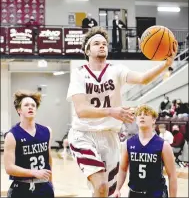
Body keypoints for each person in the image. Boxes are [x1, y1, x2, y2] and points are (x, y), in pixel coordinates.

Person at [66, 26, 177, 197]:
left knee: (107, 192)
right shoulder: (79, 74)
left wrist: (166, 64)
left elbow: (142, 79)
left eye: (104, 43)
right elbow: (81, 110)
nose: (102, 46)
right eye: (96, 43)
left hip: (110, 136)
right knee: (101, 185)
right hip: (84, 134)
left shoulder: (116, 70)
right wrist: (112, 111)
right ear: (87, 50)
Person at [114, 105, 177, 198]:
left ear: (153, 120)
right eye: (139, 114)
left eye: (146, 114)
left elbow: (172, 175)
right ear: (136, 119)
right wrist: (117, 189)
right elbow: (123, 169)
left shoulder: (163, 145)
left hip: (156, 194)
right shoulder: (128, 143)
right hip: (134, 193)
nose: (142, 116)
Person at [4, 91, 54, 198]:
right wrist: (33, 172)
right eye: (26, 105)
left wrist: (51, 183)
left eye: (33, 105)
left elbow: (49, 159)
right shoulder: (12, 135)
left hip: (44, 187)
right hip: (21, 187)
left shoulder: (47, 131)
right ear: (19, 110)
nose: (30, 107)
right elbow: (9, 168)